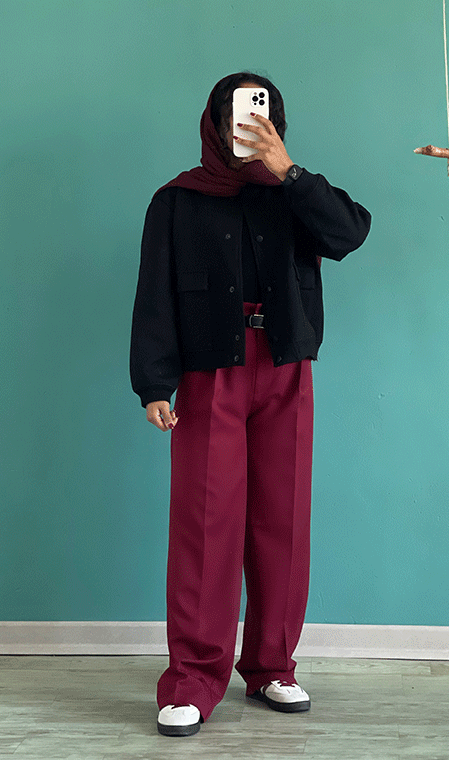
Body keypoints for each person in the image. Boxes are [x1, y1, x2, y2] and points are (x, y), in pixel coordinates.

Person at [130, 71, 371, 737]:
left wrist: (288, 171)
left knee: (282, 520)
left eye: (262, 113)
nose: (248, 123)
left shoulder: (294, 193)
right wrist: (153, 383)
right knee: (206, 523)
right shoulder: (177, 200)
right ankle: (192, 679)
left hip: (286, 366)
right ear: (214, 123)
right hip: (211, 370)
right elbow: (154, 292)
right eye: (236, 113)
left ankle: (271, 667)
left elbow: (350, 234)